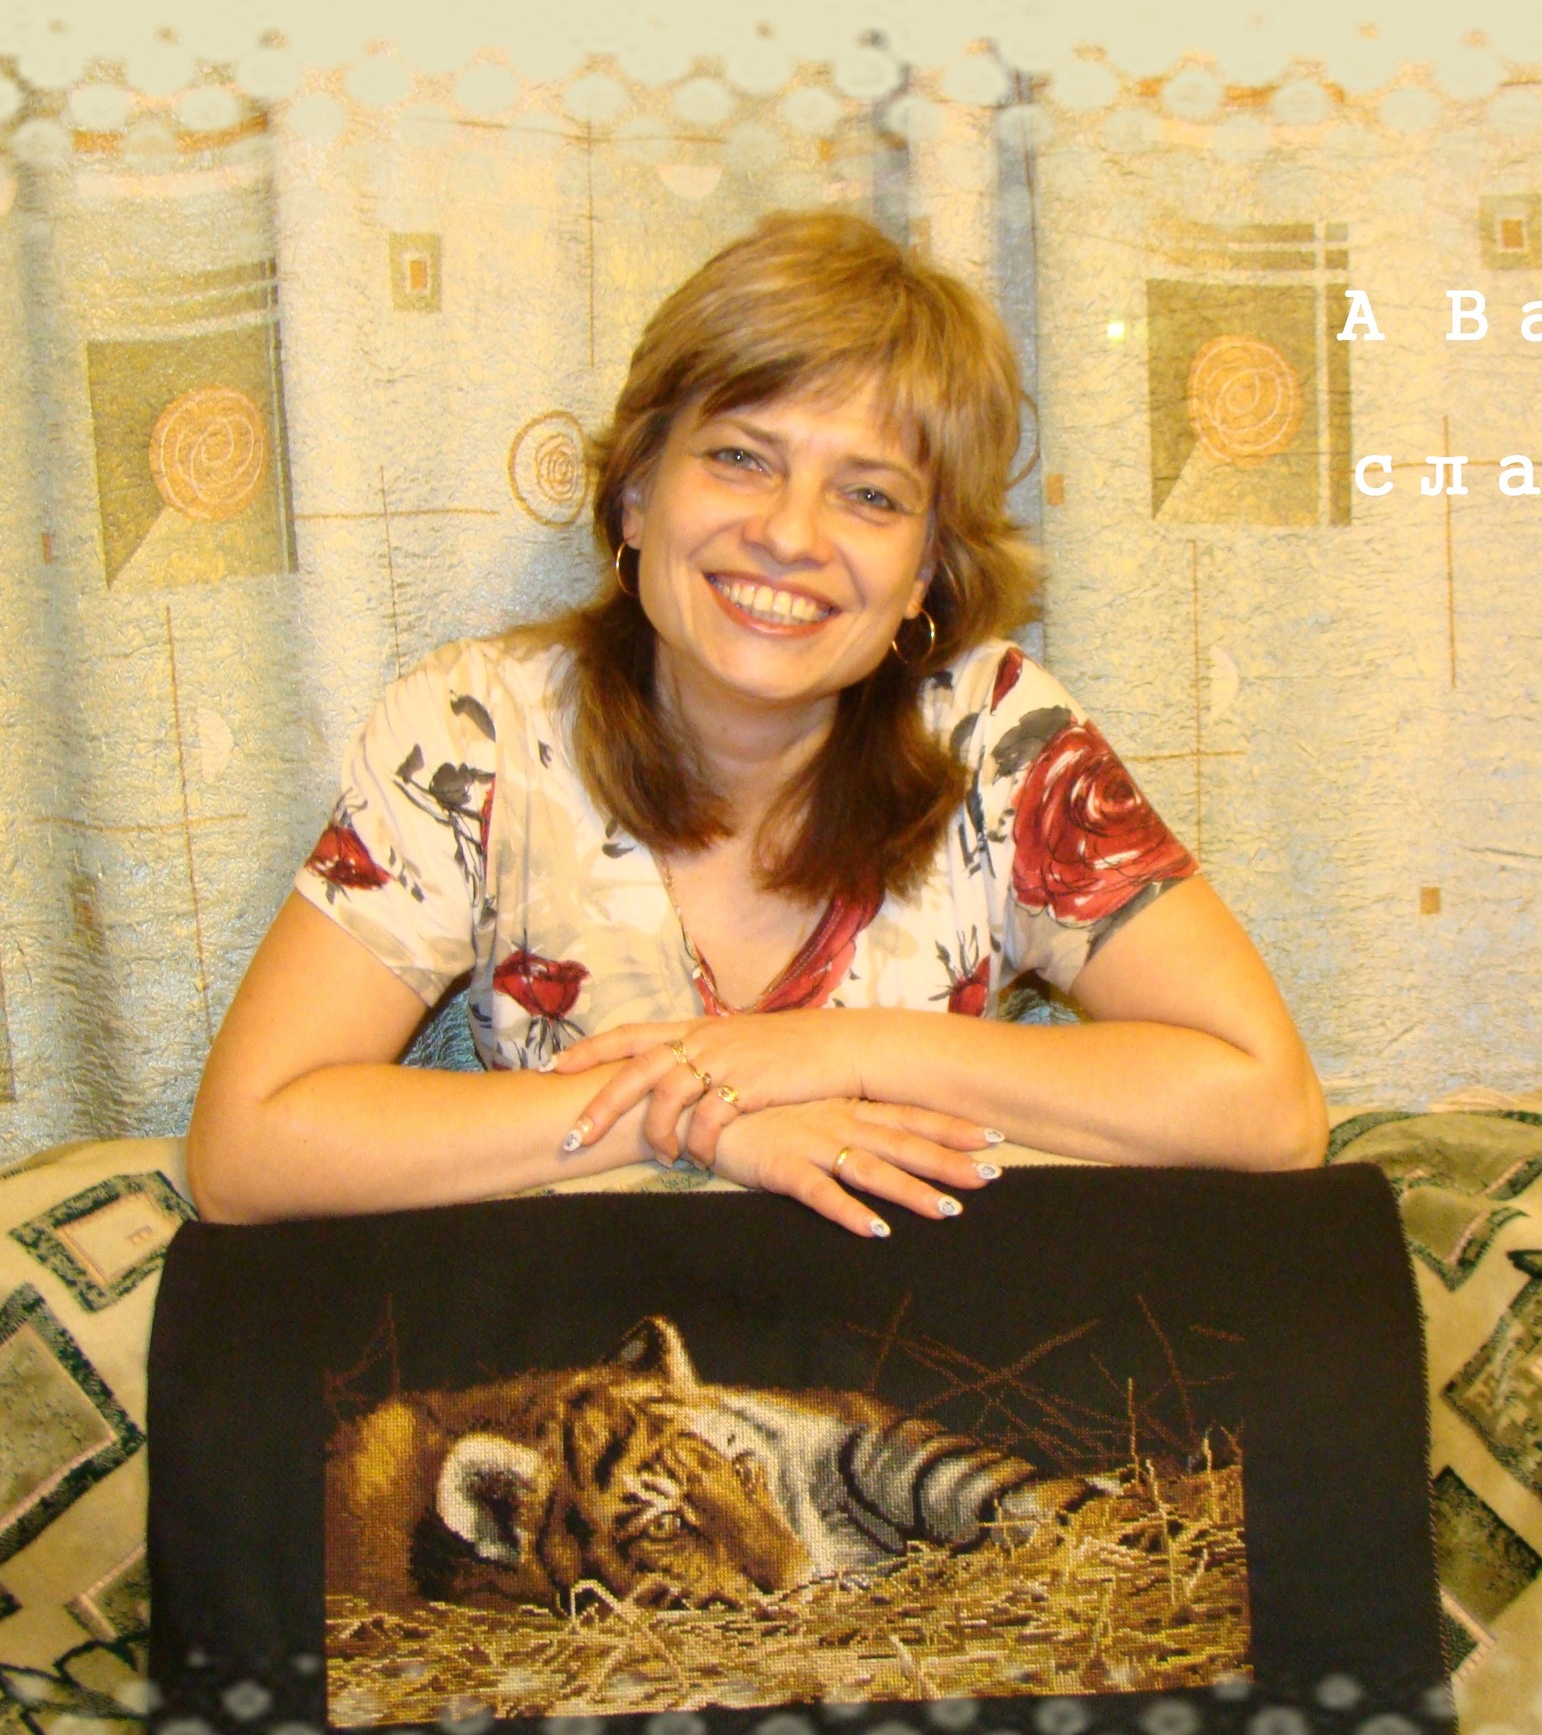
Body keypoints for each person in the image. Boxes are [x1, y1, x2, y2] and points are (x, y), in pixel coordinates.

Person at [187, 212, 1326, 1236]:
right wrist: (688, 1117)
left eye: (870, 494)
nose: (789, 535)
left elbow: (1267, 1109)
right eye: (740, 458)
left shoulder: (998, 736)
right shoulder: (475, 733)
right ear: (637, 492)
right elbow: (248, 1150)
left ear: (925, 571)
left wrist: (835, 1053)